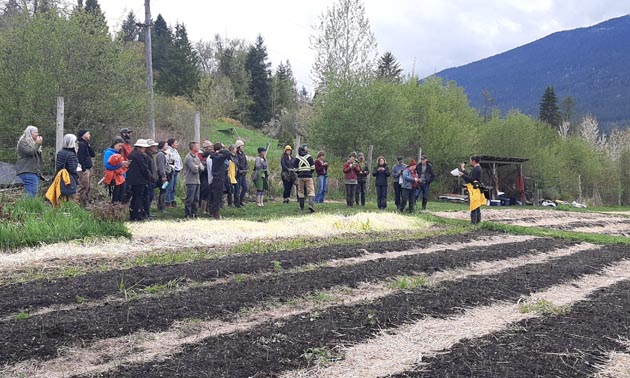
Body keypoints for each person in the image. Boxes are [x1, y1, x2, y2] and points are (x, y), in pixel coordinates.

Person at [126, 139, 153, 221]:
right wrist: (150, 177)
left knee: (134, 197)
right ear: (141, 147)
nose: (145, 149)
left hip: (132, 180)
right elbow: (144, 168)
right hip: (140, 180)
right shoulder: (139, 155)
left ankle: (133, 214)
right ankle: (138, 214)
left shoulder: (132, 154)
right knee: (139, 197)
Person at [15, 125, 43, 197]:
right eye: (35, 132)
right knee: (31, 192)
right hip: (27, 170)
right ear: (29, 133)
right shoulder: (23, 142)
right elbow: (30, 152)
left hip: (33, 171)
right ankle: (26, 207)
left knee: (32, 191)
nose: (38, 134)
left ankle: (27, 207)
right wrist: (37, 144)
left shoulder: (32, 143)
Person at [208, 143, 232, 219]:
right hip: (219, 178)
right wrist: (221, 151)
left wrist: (218, 152)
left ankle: (212, 212)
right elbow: (228, 153)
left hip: (215, 178)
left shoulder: (213, 156)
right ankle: (216, 214)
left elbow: (212, 154)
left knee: (214, 196)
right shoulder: (219, 158)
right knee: (217, 197)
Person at [459, 156, 485, 224]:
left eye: (470, 160)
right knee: (477, 204)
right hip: (477, 187)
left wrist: (462, 175)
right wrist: (463, 169)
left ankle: (473, 222)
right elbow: (471, 176)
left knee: (474, 205)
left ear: (473, 161)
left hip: (474, 188)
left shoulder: (476, 169)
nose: (470, 161)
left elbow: (471, 179)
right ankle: (478, 221)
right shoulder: (477, 168)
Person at [103, 137, 130, 203]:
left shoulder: (118, 153)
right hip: (113, 178)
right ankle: (113, 211)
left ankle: (119, 210)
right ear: (114, 144)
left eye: (121, 146)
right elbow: (107, 166)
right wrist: (121, 164)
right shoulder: (108, 153)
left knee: (121, 197)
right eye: (119, 145)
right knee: (115, 197)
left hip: (121, 177)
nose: (120, 147)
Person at [54, 133, 80, 202]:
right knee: (71, 198)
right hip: (69, 179)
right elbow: (72, 168)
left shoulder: (60, 152)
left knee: (61, 198)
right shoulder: (71, 154)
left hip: (60, 177)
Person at [184, 141, 205, 219]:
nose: (199, 147)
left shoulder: (196, 157)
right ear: (193, 148)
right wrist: (198, 167)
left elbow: (202, 167)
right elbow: (194, 170)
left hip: (197, 181)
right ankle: (187, 214)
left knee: (196, 198)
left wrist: (198, 166)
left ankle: (194, 214)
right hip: (190, 181)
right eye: (197, 146)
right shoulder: (188, 157)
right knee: (190, 199)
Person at [76, 129, 95, 206]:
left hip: (88, 168)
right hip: (84, 169)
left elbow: (92, 154)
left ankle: (85, 202)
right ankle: (81, 204)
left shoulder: (86, 144)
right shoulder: (81, 144)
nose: (89, 135)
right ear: (83, 135)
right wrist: (83, 169)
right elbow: (80, 157)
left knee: (88, 187)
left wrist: (88, 145)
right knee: (84, 186)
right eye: (88, 133)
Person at [294, 144, 316, 212]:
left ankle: (301, 207)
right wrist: (309, 173)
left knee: (300, 191)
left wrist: (299, 173)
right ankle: (310, 205)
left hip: (300, 177)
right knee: (311, 190)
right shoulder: (310, 157)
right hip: (308, 176)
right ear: (304, 150)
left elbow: (295, 169)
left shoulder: (297, 158)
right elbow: (313, 168)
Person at [144, 139, 159, 220]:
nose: (155, 148)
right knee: (148, 197)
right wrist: (152, 177)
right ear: (149, 147)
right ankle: (146, 213)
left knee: (150, 196)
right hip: (149, 180)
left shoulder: (150, 156)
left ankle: (148, 213)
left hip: (152, 180)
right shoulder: (146, 156)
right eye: (153, 146)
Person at [165, 138, 183, 207]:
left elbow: (178, 160)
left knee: (174, 187)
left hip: (177, 171)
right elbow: (169, 161)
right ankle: (167, 201)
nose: (177, 144)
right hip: (171, 171)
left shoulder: (175, 151)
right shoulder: (168, 151)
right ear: (171, 144)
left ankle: (172, 201)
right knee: (169, 187)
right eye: (175, 143)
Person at [155, 141, 171, 212]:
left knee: (163, 190)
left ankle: (161, 206)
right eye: (166, 145)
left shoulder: (162, 154)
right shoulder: (161, 154)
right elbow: (161, 166)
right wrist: (163, 176)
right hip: (163, 177)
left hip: (164, 175)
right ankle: (161, 207)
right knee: (163, 190)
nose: (167, 146)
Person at [199, 140, 213, 213]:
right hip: (203, 175)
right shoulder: (200, 154)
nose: (211, 148)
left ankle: (207, 208)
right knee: (204, 191)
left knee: (209, 192)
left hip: (209, 175)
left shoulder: (210, 154)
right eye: (210, 146)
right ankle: (202, 208)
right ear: (207, 147)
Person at [234, 139, 249, 207]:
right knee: (237, 189)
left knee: (245, 188)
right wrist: (241, 169)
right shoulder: (236, 154)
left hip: (243, 174)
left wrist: (246, 168)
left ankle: (241, 200)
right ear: (238, 146)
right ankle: (236, 202)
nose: (243, 147)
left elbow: (245, 162)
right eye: (242, 146)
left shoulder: (242, 153)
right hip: (238, 174)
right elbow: (237, 163)